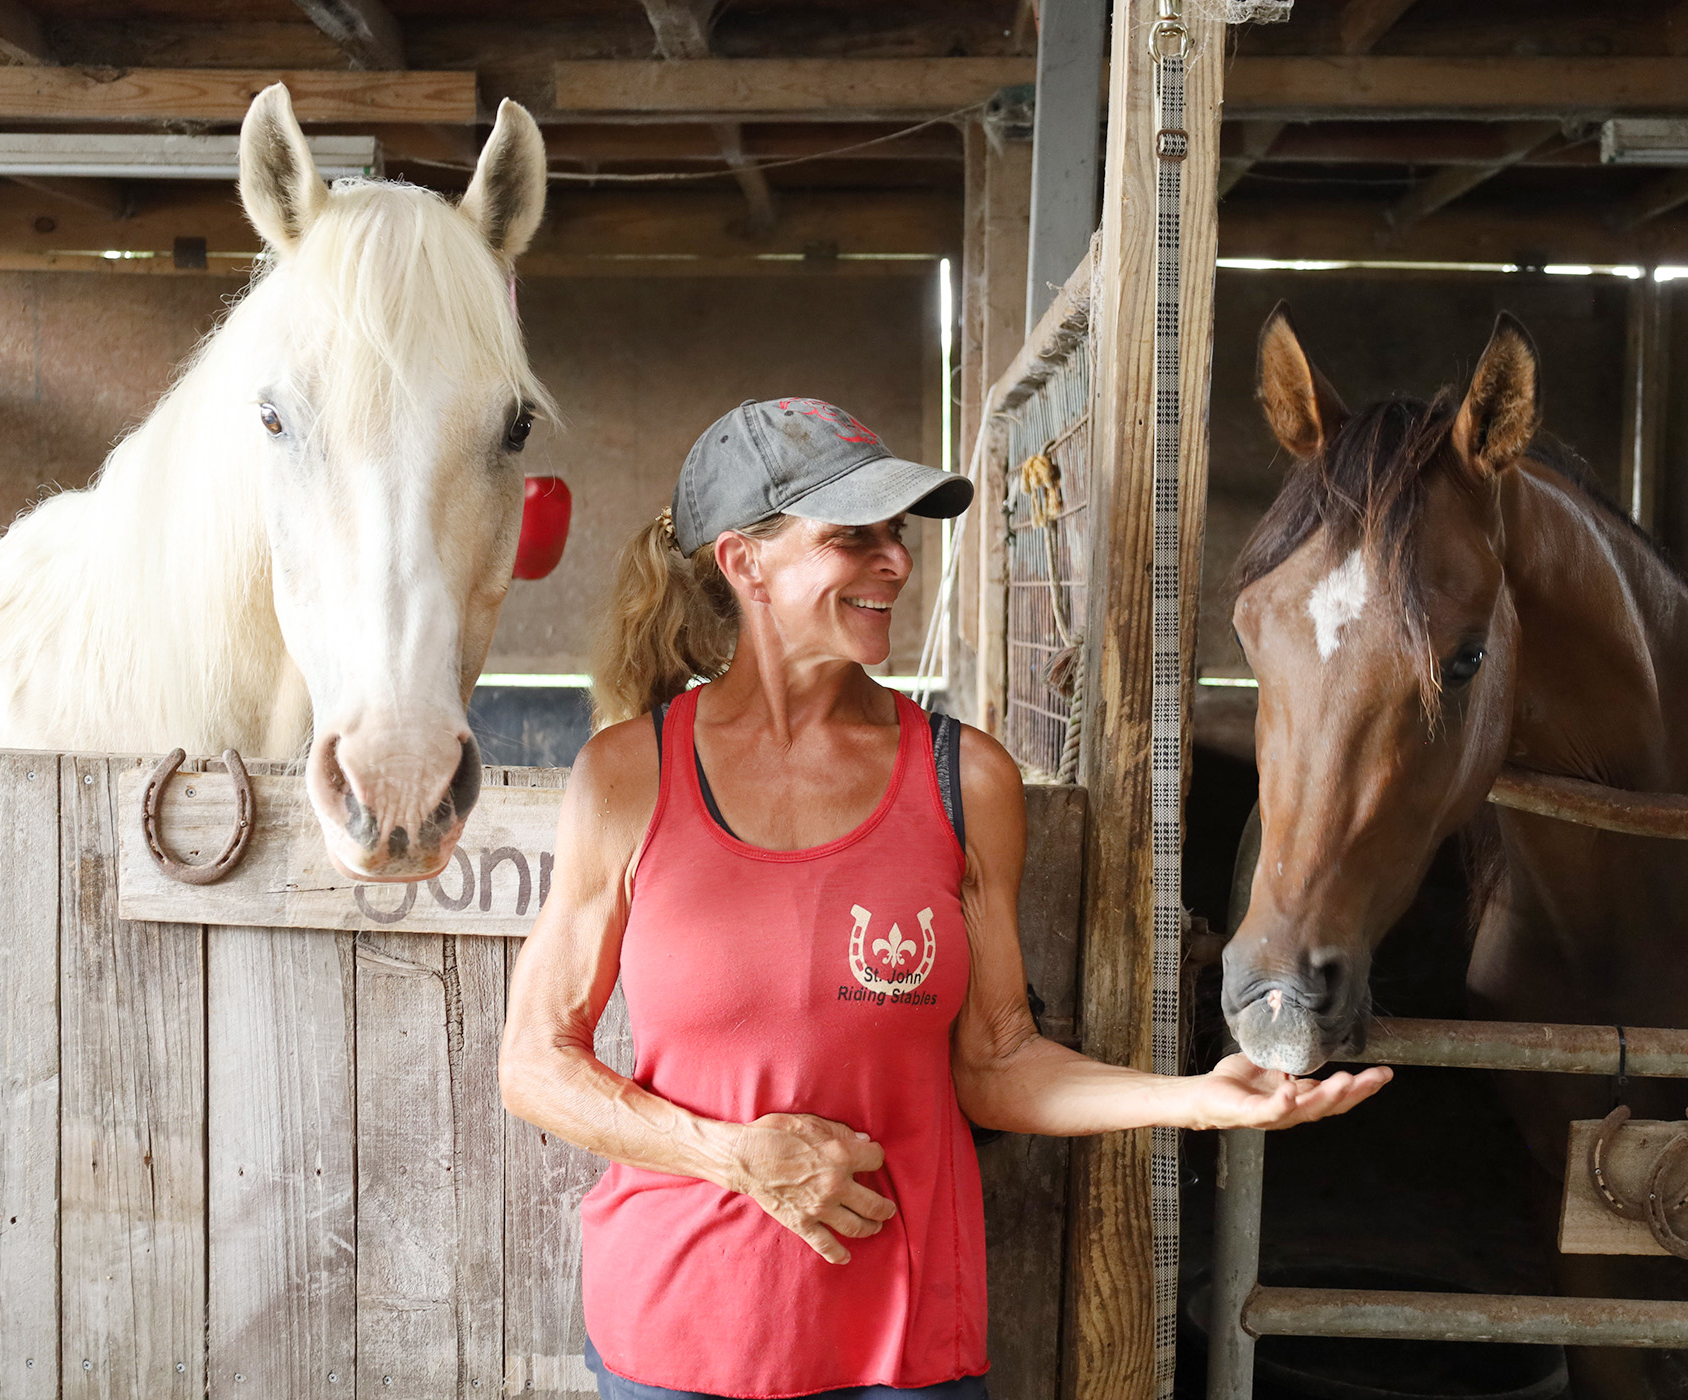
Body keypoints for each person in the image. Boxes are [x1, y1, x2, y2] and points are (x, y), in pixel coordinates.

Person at [499, 397, 1391, 1400]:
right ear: (745, 563)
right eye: (854, 537)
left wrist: (1196, 1101)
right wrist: (735, 1156)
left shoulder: (963, 780)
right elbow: (536, 1062)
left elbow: (997, 1061)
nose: (896, 562)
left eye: (898, 533)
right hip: (676, 1334)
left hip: (904, 1341)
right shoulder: (629, 776)